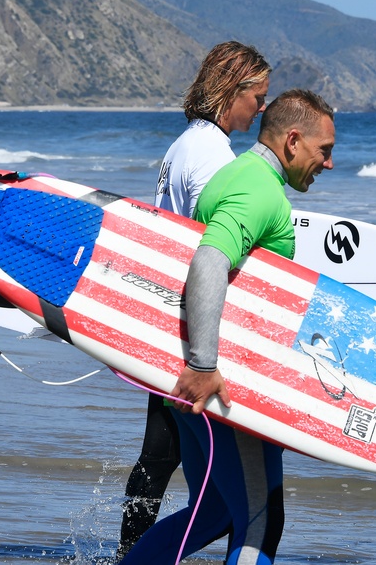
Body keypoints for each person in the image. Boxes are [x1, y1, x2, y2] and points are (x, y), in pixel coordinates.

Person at [120, 89, 336, 565]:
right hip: (221, 383)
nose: (329, 163)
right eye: (325, 150)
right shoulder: (260, 190)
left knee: (213, 512)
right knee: (261, 521)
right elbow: (210, 260)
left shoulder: (236, 173)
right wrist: (204, 364)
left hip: (191, 375)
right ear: (294, 140)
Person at [119, 41, 271, 556]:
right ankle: (137, 555)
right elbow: (214, 247)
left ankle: (133, 552)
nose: (263, 108)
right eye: (258, 96)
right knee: (208, 485)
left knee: (159, 457)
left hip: (168, 321)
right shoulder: (211, 155)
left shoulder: (186, 144)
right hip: (189, 331)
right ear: (233, 91)